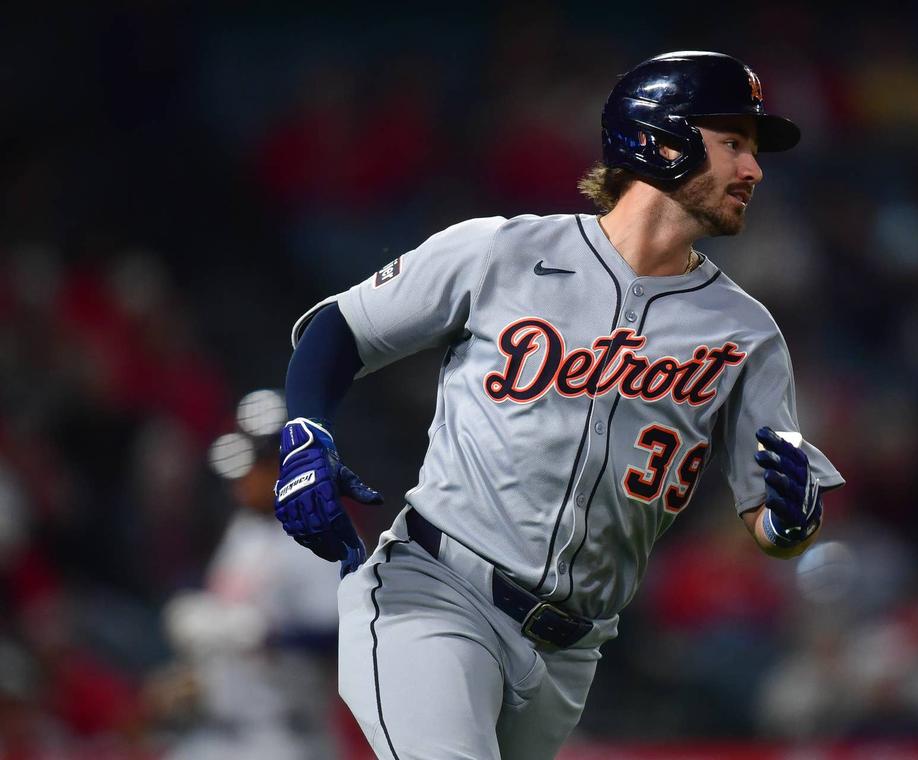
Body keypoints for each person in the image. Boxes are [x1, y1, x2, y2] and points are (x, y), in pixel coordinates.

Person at [273, 51, 844, 759]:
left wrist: (792, 525)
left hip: (572, 652)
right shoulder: (503, 251)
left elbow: (771, 516)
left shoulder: (748, 333)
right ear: (657, 140)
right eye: (734, 144)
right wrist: (304, 427)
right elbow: (341, 328)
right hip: (437, 592)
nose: (753, 170)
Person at [153, 389, 342, 759]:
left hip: (287, 737)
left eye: (254, 466)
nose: (240, 482)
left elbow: (343, 636)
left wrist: (264, 633)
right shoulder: (244, 529)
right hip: (219, 732)